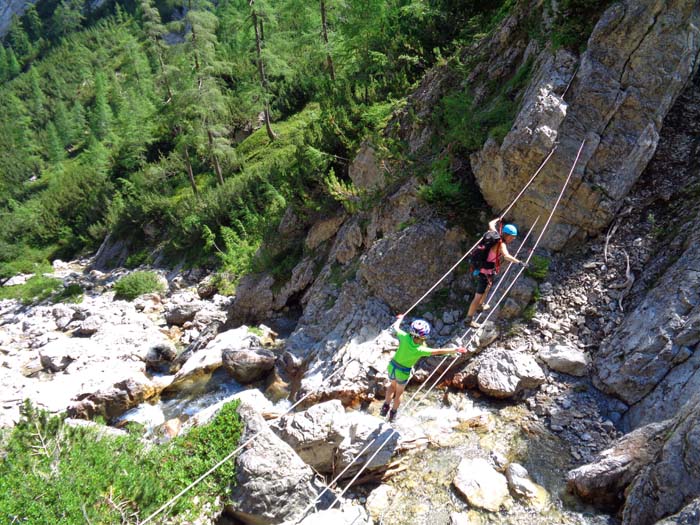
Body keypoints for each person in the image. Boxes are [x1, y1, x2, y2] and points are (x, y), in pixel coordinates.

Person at [380, 314, 467, 422]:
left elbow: (396, 328)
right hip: (403, 372)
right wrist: (455, 350)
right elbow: (438, 351)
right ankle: (392, 414)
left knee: (391, 387)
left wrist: (400, 319)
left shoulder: (404, 337)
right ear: (424, 336)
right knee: (399, 393)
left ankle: (385, 406)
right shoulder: (420, 349)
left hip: (392, 367)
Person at [465, 217, 525, 329]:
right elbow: (506, 256)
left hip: (485, 269)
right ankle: (469, 319)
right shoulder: (501, 244)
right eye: (512, 237)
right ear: (507, 235)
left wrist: (498, 218)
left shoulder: (494, 234)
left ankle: (481, 306)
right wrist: (520, 262)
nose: (512, 239)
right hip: (485, 272)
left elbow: (490, 223)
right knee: (477, 297)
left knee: (488, 286)